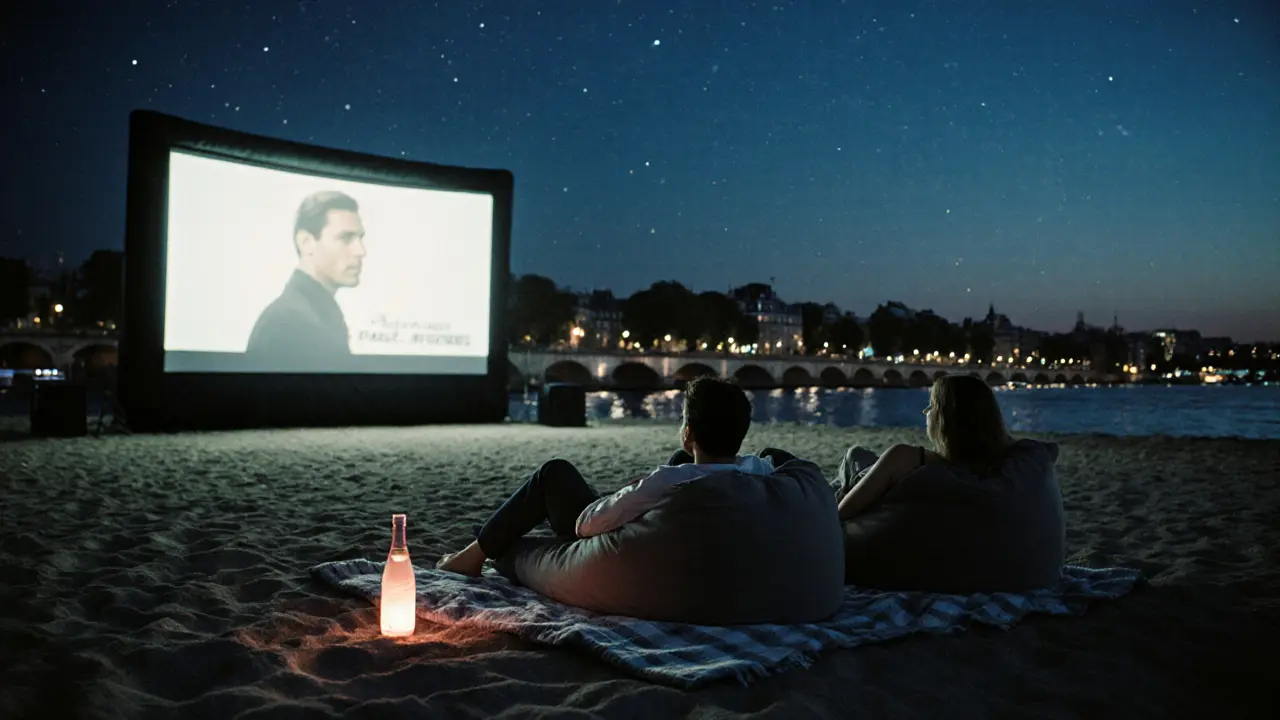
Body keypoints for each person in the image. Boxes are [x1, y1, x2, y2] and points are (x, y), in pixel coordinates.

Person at [436, 376, 801, 577]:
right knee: (675, 462)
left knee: (554, 474)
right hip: (697, 531)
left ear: (689, 432)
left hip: (628, 542)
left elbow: (586, 525)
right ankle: (485, 539)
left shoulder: (668, 481)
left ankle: (472, 555)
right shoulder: (757, 469)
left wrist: (633, 491)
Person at [834, 374, 1013, 520]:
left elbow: (842, 512)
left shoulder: (904, 458)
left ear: (944, 420)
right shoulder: (1003, 465)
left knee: (855, 456)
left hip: (860, 479)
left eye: (932, 406)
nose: (926, 412)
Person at [244, 190, 366, 367]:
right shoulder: (289, 322)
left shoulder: (309, 313)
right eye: (346, 238)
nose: (361, 251)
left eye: (360, 238)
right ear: (306, 242)